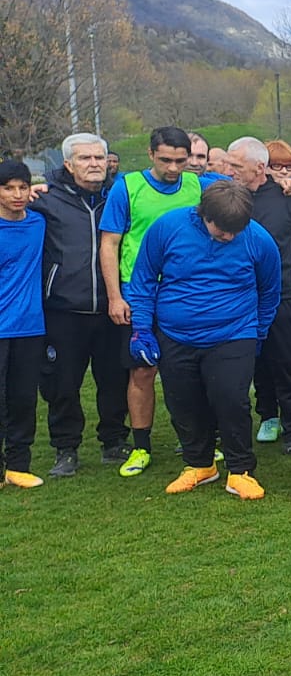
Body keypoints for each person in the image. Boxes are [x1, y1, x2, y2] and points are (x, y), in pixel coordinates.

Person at [128, 181, 280, 500]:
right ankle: (200, 464)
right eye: (222, 229)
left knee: (231, 399)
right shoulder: (168, 227)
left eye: (235, 230)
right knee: (183, 400)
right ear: (204, 214)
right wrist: (142, 329)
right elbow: (142, 279)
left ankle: (240, 470)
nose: (229, 236)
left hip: (234, 332)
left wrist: (258, 332)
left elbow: (270, 291)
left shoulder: (257, 239)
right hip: (174, 334)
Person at [100, 126, 223, 477]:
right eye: (166, 160)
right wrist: (114, 296)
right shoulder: (128, 187)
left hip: (184, 293)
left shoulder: (199, 185)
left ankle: (200, 441)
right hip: (138, 292)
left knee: (193, 368)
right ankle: (141, 447)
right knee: (141, 369)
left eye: (181, 161)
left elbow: (254, 177)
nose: (173, 168)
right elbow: (109, 244)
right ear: (151, 153)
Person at [32, 134, 130, 476]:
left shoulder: (120, 195)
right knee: (62, 382)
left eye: (99, 158)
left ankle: (114, 440)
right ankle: (66, 448)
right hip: (63, 308)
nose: (94, 164)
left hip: (111, 306)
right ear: (69, 164)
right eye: (85, 158)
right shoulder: (45, 199)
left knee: (114, 378)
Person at [227, 137, 291, 457]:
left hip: (279, 294)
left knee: (286, 363)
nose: (229, 171)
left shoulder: (288, 197)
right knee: (244, 364)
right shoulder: (225, 196)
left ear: (260, 168)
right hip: (235, 295)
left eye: (236, 166)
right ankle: (264, 417)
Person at [0, 159, 47, 489]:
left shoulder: (38, 223)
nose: (17, 194)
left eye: (22, 187)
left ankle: (18, 465)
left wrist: (48, 189)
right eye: (8, 188)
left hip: (30, 328)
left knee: (23, 399)